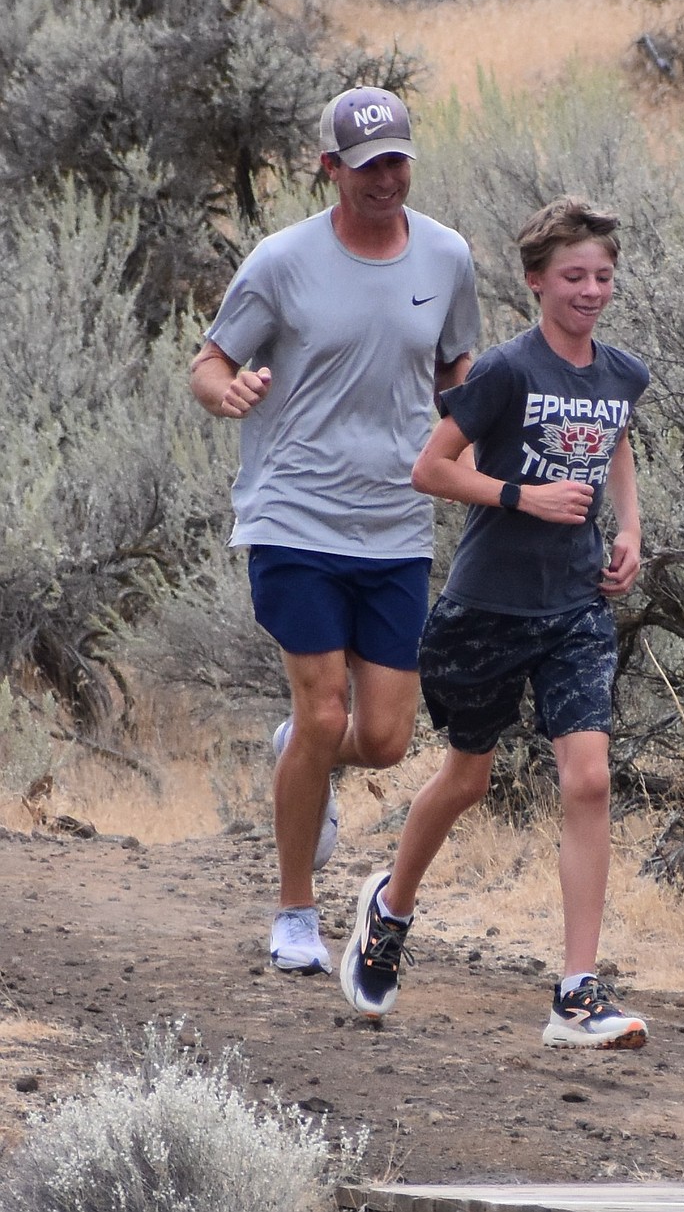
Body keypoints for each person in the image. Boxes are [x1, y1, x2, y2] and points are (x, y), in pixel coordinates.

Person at [338, 196, 651, 1049]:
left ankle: (576, 994)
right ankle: (389, 910)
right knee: (466, 779)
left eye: (604, 277)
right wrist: (525, 495)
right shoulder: (507, 371)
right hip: (485, 608)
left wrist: (627, 530)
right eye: (575, 277)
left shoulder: (621, 372)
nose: (591, 291)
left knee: (588, 778)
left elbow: (616, 438)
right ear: (537, 281)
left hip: (577, 606)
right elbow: (430, 469)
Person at [190, 87, 480, 978]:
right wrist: (226, 392)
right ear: (331, 169)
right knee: (322, 705)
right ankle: (294, 911)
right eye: (367, 166)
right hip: (294, 511)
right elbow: (211, 360)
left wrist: (479, 442)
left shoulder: (447, 255)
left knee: (385, 737)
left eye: (397, 161)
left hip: (395, 522)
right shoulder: (282, 262)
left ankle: (301, 758)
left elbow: (458, 369)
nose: (386, 179)